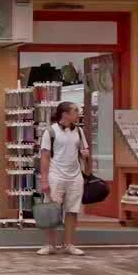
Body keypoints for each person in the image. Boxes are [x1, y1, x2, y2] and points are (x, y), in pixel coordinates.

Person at [38, 101, 90, 256]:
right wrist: (44, 180)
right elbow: (45, 157)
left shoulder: (79, 131)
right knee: (51, 211)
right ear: (65, 113)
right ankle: (50, 245)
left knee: (72, 211)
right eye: (75, 111)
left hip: (75, 176)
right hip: (56, 175)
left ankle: (68, 244)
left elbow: (84, 150)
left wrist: (85, 154)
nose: (78, 114)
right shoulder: (50, 132)